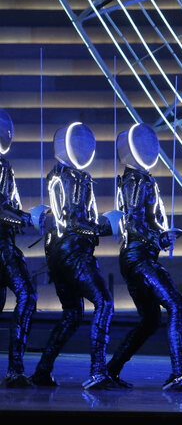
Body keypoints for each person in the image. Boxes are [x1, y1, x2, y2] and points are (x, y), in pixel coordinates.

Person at [106, 124, 182, 392]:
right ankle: (179, 375)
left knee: (150, 320)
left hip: (137, 256)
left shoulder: (135, 179)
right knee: (176, 304)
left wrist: (160, 236)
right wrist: (157, 237)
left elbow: (139, 222)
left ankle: (111, 370)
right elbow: (133, 222)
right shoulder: (137, 181)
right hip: (138, 257)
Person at [32, 123, 116, 389]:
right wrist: (106, 227)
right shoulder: (62, 178)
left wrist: (101, 225)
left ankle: (42, 370)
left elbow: (85, 219)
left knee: (72, 313)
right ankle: (98, 371)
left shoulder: (80, 178)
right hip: (71, 252)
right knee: (104, 302)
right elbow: (71, 223)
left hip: (66, 252)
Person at [0, 110, 36, 388]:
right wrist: (24, 218)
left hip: (6, 243)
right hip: (3, 247)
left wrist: (27, 217)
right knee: (27, 294)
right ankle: (15, 369)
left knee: (26, 295)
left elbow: (8, 207)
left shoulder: (4, 166)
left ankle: (16, 369)